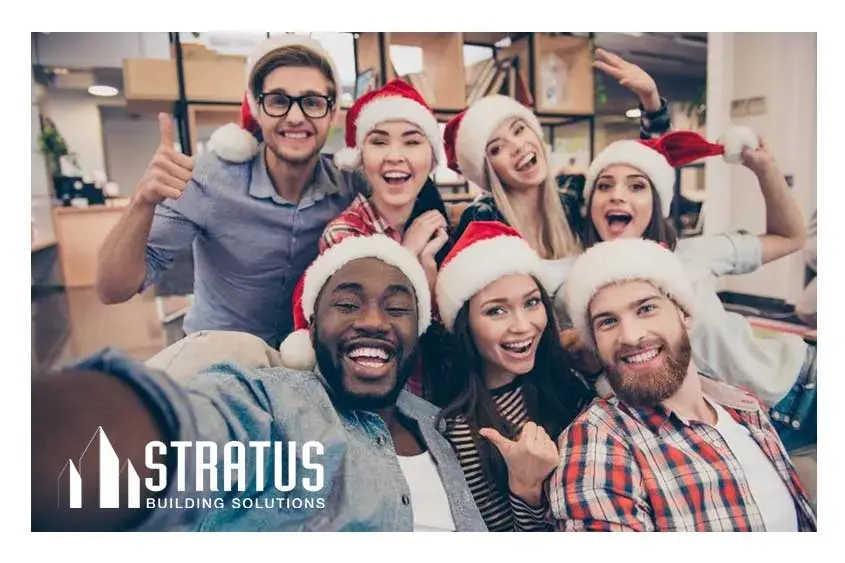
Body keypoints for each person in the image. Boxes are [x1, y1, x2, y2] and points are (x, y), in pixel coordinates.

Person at [32, 235, 487, 533]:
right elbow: (185, 435)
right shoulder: (274, 405)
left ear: (419, 330)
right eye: (347, 304)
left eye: (397, 308)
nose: (372, 320)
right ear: (310, 328)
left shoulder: (445, 427)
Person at [95, 36, 367, 349]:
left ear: (332, 114)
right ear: (257, 110)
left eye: (312, 102)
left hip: (307, 362)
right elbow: (112, 289)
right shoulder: (207, 178)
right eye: (278, 100)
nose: (295, 117)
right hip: (215, 359)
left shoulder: (350, 187)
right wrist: (141, 201)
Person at [549, 238, 817, 532]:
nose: (630, 335)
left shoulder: (743, 408)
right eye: (607, 322)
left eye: (646, 308)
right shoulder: (598, 441)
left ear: (685, 314)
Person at [565, 128, 813, 438]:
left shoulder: (693, 253)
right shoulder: (576, 282)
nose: (618, 194)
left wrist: (765, 169)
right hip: (735, 428)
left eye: (636, 186)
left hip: (802, 384)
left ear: (656, 204)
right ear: (590, 205)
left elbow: (789, 237)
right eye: (604, 186)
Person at [277, 78, 452, 399]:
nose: (395, 156)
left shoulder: (439, 227)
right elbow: (360, 336)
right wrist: (409, 256)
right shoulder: (345, 234)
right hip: (376, 405)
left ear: (432, 157)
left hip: (435, 406)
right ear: (360, 157)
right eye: (379, 142)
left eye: (412, 142)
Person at [430, 221, 594, 531]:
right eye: (496, 311)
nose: (523, 325)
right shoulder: (460, 432)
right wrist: (525, 488)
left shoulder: (571, 382)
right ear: (466, 326)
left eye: (532, 303)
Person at [443, 49, 671, 264]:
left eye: (519, 129)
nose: (518, 146)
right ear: (487, 169)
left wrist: (651, 101)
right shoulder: (482, 217)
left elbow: (643, 171)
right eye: (497, 148)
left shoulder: (573, 196)